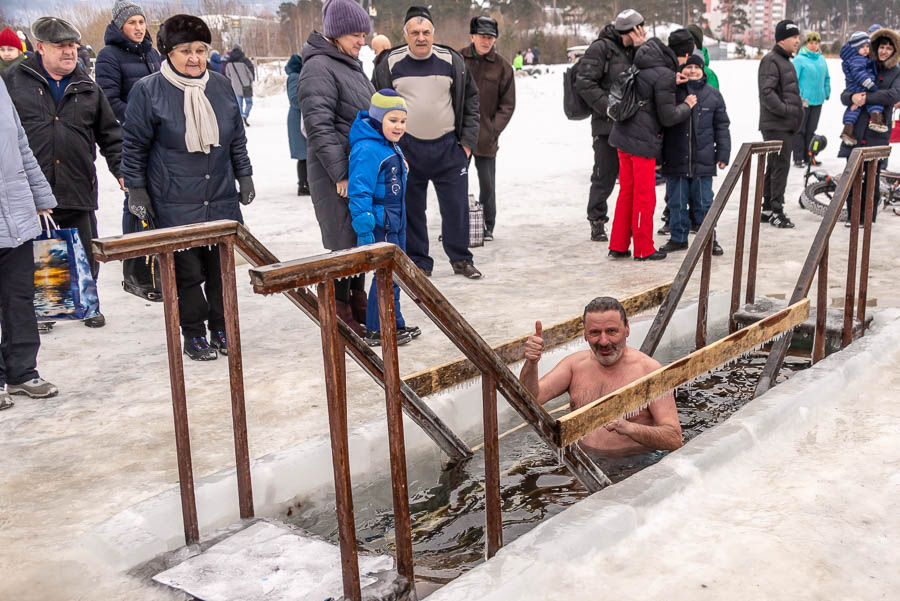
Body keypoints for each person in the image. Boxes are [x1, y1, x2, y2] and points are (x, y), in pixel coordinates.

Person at [121, 14, 254, 361]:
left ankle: (223, 327)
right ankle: (194, 334)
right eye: (185, 50)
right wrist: (136, 190)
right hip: (173, 199)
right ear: (168, 52)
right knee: (188, 274)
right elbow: (133, 146)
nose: (195, 57)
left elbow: (236, 138)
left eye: (201, 49)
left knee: (221, 271)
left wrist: (245, 175)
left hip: (220, 195)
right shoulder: (148, 91)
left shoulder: (221, 86)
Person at [3, 16, 123, 329]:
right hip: (31, 187)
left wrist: (122, 170)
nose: (69, 52)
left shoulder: (87, 86)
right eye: (61, 46)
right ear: (40, 47)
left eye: (72, 45)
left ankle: (88, 302)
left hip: (77, 182)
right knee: (41, 247)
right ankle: (47, 306)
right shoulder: (12, 82)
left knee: (84, 246)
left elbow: (110, 134)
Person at [373, 6, 482, 279]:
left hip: (448, 147)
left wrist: (466, 144)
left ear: (433, 33)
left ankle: (461, 259)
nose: (421, 38)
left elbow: (471, 101)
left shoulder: (452, 60)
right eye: (414, 33)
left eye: (425, 32)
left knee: (456, 208)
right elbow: (376, 103)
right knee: (412, 209)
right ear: (405, 35)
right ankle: (420, 262)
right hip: (408, 148)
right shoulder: (389, 63)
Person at [519, 297, 683, 456]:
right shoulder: (574, 365)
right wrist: (531, 363)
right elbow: (530, 399)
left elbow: (674, 438)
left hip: (633, 465)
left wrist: (629, 428)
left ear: (627, 329)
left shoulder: (649, 371)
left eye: (611, 331)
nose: (603, 342)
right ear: (585, 334)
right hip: (582, 464)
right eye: (595, 333)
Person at [299, 0, 375, 336]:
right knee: (344, 241)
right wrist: (341, 173)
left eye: (364, 34)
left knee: (359, 237)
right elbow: (318, 125)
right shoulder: (319, 67)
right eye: (356, 34)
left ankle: (356, 299)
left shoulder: (350, 64)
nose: (362, 40)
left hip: (358, 169)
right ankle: (337, 306)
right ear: (336, 33)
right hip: (336, 173)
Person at [608, 30, 695, 262]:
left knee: (627, 191)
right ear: (685, 53)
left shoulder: (645, 61)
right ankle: (644, 248)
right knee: (645, 196)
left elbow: (650, 85)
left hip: (623, 135)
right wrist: (687, 105)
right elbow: (668, 116)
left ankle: (618, 244)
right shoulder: (665, 73)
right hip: (642, 141)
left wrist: (670, 80)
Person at [0, 75, 59, 408]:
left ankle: (22, 372)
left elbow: (21, 143)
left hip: (17, 211)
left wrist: (40, 194)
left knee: (19, 298)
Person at [349, 90, 420, 346]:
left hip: (395, 221)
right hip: (380, 225)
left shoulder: (388, 146)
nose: (399, 126)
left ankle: (394, 322)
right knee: (384, 277)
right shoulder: (367, 149)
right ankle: (377, 329)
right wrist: (365, 228)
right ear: (379, 119)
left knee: (395, 275)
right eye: (393, 120)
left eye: (402, 121)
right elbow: (360, 190)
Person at [575, 8, 645, 243]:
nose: (641, 33)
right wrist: (610, 107)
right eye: (637, 29)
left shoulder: (637, 49)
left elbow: (647, 74)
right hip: (606, 123)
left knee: (633, 178)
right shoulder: (601, 48)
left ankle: (631, 223)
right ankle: (597, 220)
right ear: (628, 30)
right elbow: (584, 82)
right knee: (605, 173)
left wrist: (640, 48)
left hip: (633, 124)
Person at [660, 54, 730, 257]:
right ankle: (678, 238)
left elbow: (722, 126)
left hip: (703, 160)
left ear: (703, 71)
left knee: (704, 203)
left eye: (696, 68)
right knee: (677, 202)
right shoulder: (673, 93)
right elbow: (663, 125)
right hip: (675, 159)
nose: (692, 71)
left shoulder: (713, 95)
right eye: (688, 67)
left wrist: (723, 152)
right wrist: (658, 157)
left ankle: (709, 239)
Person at [461, 15, 516, 241]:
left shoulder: (502, 66)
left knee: (487, 184)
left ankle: (487, 224)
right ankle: (456, 224)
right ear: (472, 36)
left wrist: (494, 128)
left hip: (486, 136)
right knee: (455, 183)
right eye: (482, 37)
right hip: (459, 135)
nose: (486, 41)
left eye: (490, 37)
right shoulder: (457, 59)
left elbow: (508, 104)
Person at [839, 27, 900, 224]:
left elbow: (893, 95)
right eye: (881, 47)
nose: (884, 51)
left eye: (888, 48)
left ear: (894, 51)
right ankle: (852, 215)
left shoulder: (896, 72)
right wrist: (852, 97)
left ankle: (868, 217)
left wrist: (867, 98)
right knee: (852, 176)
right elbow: (845, 94)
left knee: (872, 178)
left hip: (877, 132)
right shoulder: (865, 64)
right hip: (856, 129)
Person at [758, 19, 803, 229]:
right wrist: (787, 111)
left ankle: (768, 208)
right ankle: (777, 210)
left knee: (775, 165)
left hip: (784, 124)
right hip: (777, 124)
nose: (798, 41)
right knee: (780, 166)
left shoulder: (785, 61)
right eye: (794, 37)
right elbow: (767, 93)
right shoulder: (772, 61)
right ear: (782, 39)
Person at [839, 31, 888, 145]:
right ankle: (876, 119)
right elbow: (859, 73)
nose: (866, 49)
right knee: (874, 101)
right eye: (862, 47)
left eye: (867, 46)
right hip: (861, 86)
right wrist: (870, 84)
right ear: (855, 48)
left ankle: (848, 129)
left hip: (854, 88)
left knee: (853, 108)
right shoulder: (857, 59)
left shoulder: (856, 58)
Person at [792, 31, 830, 167]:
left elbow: (826, 78)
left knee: (811, 130)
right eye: (811, 43)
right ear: (806, 43)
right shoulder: (799, 59)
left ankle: (809, 157)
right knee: (800, 130)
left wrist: (827, 91)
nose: (814, 46)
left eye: (816, 43)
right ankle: (797, 158)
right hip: (803, 100)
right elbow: (793, 80)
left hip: (818, 100)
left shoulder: (822, 59)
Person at [285, 54, 308, 196]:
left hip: (301, 117)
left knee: (306, 153)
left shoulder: (296, 75)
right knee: (303, 154)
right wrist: (309, 101)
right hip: (297, 118)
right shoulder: (294, 76)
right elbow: (294, 98)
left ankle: (306, 183)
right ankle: (303, 185)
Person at [225, 45, 255, 126]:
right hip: (246, 85)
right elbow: (250, 74)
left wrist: (234, 79)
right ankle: (245, 115)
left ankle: (241, 117)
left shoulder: (229, 62)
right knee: (249, 102)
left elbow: (227, 74)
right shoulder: (245, 60)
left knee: (239, 104)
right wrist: (250, 80)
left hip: (235, 86)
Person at [686, 24, 719, 89]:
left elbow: (713, 97)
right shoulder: (676, 67)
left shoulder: (708, 74)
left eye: (691, 43)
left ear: (698, 47)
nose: (687, 46)